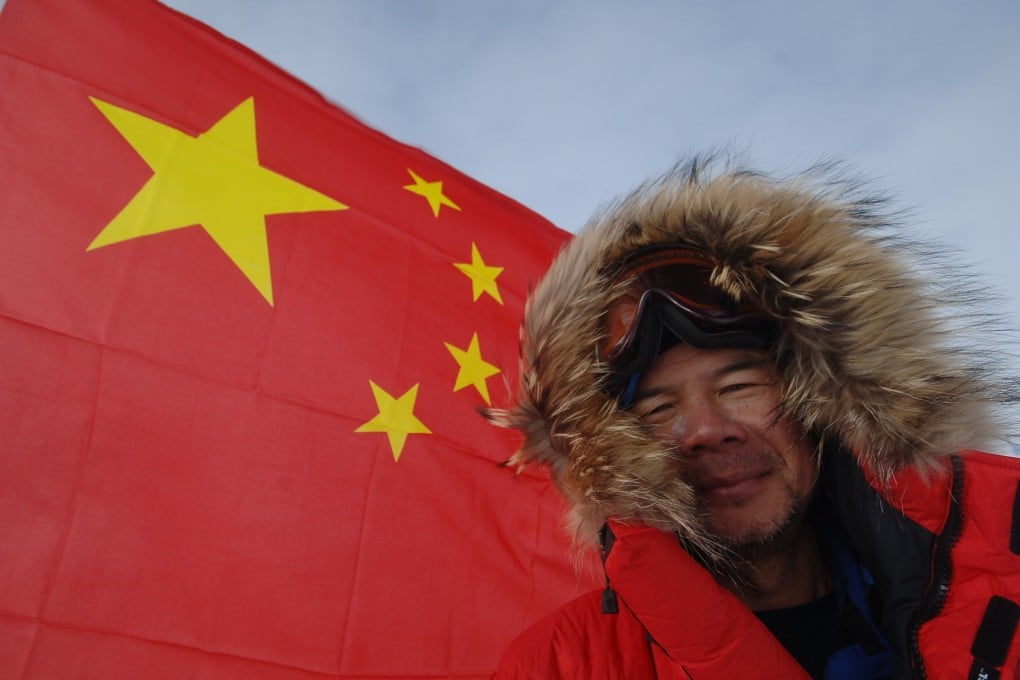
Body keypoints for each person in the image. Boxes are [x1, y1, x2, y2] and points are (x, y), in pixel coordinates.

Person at [487, 155, 1020, 679]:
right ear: (610, 452)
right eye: (658, 407)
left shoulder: (1000, 585)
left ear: (822, 398)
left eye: (738, 386)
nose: (705, 430)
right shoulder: (559, 666)